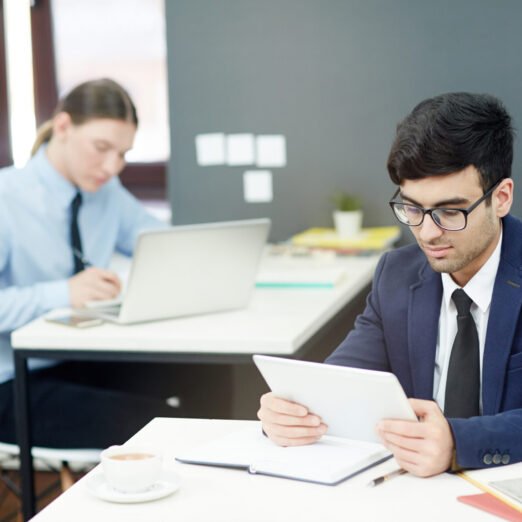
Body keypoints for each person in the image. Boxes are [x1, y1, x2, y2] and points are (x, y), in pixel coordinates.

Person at [258, 92, 522, 477]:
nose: (427, 233)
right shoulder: (397, 275)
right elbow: (341, 383)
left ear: (500, 198)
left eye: (450, 211)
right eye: (412, 209)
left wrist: (457, 442)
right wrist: (286, 415)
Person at [0, 78, 177, 448]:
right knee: (159, 424)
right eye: (102, 148)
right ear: (63, 127)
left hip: (79, 358)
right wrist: (62, 293)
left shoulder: (105, 192)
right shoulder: (6, 198)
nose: (113, 166)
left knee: (211, 376)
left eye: (123, 154)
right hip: (12, 379)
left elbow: (162, 245)